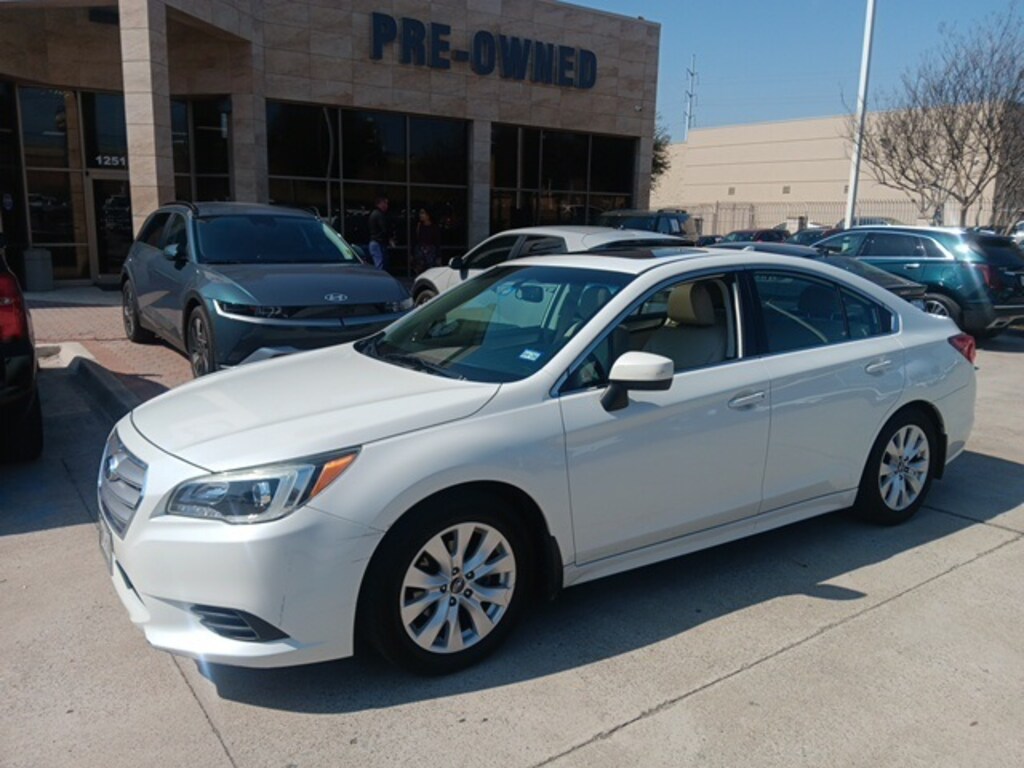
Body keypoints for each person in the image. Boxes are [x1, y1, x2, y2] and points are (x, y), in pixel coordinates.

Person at [412, 208, 440, 273]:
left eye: (422, 213)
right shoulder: (418, 226)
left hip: (431, 253)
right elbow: (414, 240)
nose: (420, 215)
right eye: (420, 213)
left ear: (428, 215)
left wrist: (438, 256)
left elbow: (437, 241)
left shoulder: (434, 227)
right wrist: (412, 254)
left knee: (431, 271)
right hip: (420, 253)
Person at [367, 196, 391, 270]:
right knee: (380, 265)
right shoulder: (379, 215)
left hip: (374, 242)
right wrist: (390, 239)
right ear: (380, 204)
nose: (387, 205)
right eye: (385, 203)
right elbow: (384, 229)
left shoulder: (373, 214)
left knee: (380, 264)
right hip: (378, 243)